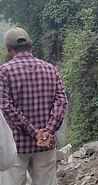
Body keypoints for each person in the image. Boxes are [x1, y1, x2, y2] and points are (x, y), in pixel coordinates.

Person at [0, 27, 68, 185]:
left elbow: (5, 106)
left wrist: (33, 132)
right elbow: (61, 101)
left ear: (9, 49)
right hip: (46, 145)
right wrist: (48, 131)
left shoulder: (4, 72)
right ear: (30, 45)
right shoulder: (51, 69)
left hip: (16, 145)